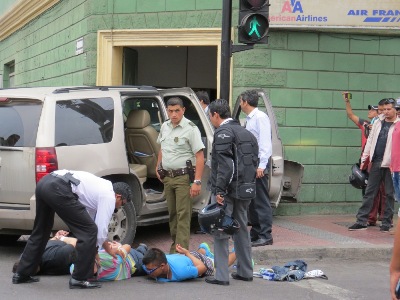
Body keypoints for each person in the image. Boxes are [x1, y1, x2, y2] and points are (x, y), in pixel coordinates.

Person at [12, 170, 131, 289]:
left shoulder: (99, 189)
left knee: (41, 231)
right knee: (89, 232)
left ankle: (22, 273)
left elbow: (91, 223)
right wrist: (98, 252)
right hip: (58, 187)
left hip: (45, 182)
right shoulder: (109, 196)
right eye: (122, 203)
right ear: (118, 196)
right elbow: (98, 232)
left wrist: (100, 247)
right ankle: (79, 278)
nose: (120, 206)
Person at [205, 99, 258, 286]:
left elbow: (225, 166)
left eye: (210, 115)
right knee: (242, 228)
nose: (210, 119)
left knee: (221, 230)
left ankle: (221, 276)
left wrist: (219, 190)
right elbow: (254, 162)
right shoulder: (247, 133)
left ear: (216, 115)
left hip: (227, 191)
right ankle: (245, 272)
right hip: (245, 189)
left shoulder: (222, 133)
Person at [156, 97, 205, 253]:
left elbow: (199, 156)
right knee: (172, 215)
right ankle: (175, 248)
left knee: (183, 215)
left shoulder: (191, 129)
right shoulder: (165, 126)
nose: (174, 114)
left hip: (184, 177)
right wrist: (158, 166)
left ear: (183, 110)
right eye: (170, 111)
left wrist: (197, 181)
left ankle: (181, 252)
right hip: (168, 177)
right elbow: (162, 149)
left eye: (177, 110)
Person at [348, 99, 398, 232]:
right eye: (384, 109)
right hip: (376, 162)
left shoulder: (398, 125)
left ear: (395, 109)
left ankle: (386, 223)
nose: (386, 112)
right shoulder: (377, 122)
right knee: (369, 192)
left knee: (389, 194)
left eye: (389, 109)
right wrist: (365, 159)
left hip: (391, 164)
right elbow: (370, 141)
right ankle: (361, 220)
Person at [240, 90, 273, 247]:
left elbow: (265, 143)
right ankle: (256, 231)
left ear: (246, 102)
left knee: (260, 200)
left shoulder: (260, 118)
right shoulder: (250, 119)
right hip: (251, 163)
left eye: (241, 101)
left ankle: (265, 234)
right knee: (252, 200)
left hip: (258, 162)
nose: (240, 104)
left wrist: (261, 165)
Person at [142, 243, 236, 282]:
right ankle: (203, 249)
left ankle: (239, 251)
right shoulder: (148, 265)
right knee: (193, 255)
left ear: (162, 266)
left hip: (199, 261)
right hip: (186, 257)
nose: (148, 272)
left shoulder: (180, 271)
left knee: (221, 265)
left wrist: (187, 253)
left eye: (150, 270)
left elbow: (203, 268)